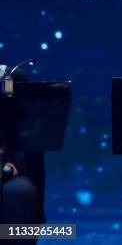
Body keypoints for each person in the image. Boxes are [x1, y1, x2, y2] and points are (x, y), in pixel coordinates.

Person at [0, 63, 45, 245]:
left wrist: (10, 165)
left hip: (9, 168)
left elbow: (24, 139)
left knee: (20, 191)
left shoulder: (12, 77)